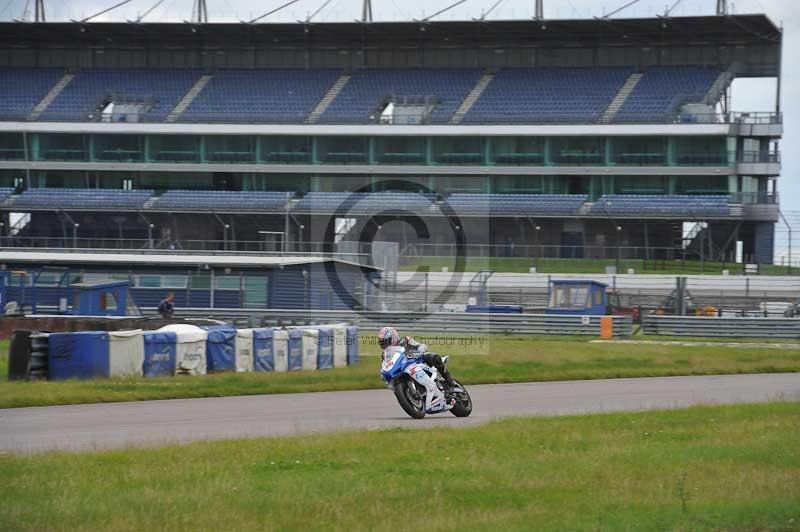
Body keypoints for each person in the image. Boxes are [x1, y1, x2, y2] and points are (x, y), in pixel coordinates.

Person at [377, 326, 455, 389]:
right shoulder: (385, 354)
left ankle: (449, 380)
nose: (384, 344)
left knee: (433, 357)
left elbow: (421, 346)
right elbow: (385, 366)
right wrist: (383, 374)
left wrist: (420, 351)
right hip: (403, 369)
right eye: (382, 342)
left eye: (385, 341)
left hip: (417, 361)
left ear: (393, 337)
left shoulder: (405, 340)